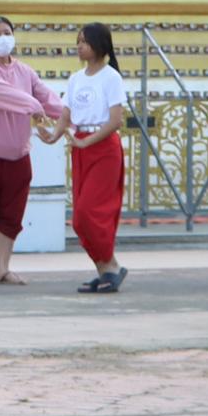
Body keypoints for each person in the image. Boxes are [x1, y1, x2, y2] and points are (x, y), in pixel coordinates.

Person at [0, 15, 64, 285]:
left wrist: (70, 117)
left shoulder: (26, 72)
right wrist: (35, 107)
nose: (2, 38)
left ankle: (4, 267)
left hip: (18, 153)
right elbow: (7, 96)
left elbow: (48, 98)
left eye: (6, 32)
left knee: (12, 212)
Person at [45, 23, 130, 293]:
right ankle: (105, 269)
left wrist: (87, 141)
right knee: (81, 217)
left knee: (92, 212)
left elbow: (116, 120)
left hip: (103, 148)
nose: (79, 46)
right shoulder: (75, 78)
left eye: (85, 41)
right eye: (78, 40)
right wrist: (51, 135)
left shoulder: (111, 77)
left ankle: (111, 266)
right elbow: (66, 117)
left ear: (100, 44)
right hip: (81, 147)